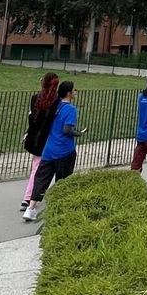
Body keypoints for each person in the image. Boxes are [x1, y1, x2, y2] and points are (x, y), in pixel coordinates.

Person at [23, 82, 84, 221]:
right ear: (69, 93)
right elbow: (67, 130)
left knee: (41, 180)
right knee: (62, 181)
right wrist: (78, 133)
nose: (76, 91)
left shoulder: (53, 107)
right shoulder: (71, 109)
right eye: (74, 89)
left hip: (49, 149)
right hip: (64, 150)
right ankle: (58, 210)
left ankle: (30, 208)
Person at [20, 71, 59, 212]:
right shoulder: (57, 101)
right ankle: (29, 198)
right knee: (41, 168)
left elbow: (33, 118)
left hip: (35, 137)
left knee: (36, 167)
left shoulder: (35, 98)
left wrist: (28, 132)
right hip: (48, 137)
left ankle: (29, 196)